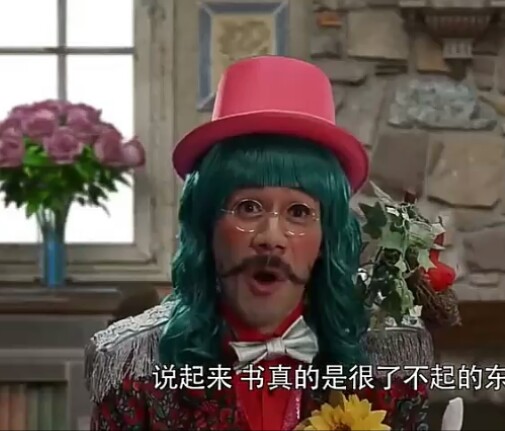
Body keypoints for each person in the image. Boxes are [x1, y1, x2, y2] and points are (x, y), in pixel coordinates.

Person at [85, 56, 429, 430]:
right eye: (248, 208)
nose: (271, 238)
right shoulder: (131, 367)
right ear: (207, 226)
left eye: (298, 212)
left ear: (326, 239)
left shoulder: (390, 366)